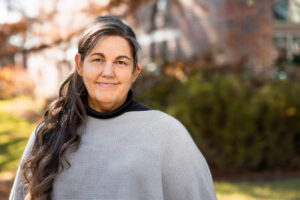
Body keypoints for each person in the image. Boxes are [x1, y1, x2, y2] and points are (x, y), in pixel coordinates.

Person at [9, 16, 217, 200]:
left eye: (120, 62)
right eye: (98, 59)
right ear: (80, 65)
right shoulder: (48, 134)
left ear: (135, 72)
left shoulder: (167, 134)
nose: (108, 72)